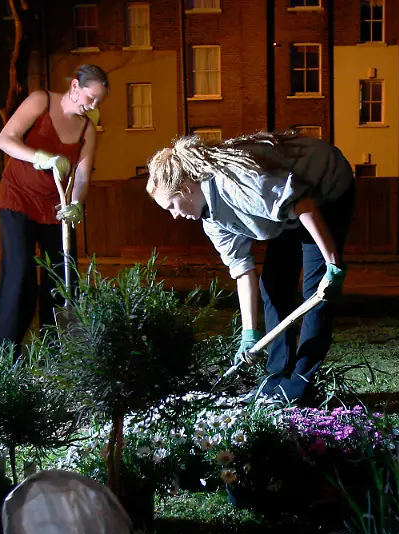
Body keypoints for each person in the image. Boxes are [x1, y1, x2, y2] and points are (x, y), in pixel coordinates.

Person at [146, 131, 355, 404]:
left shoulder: (235, 182)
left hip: (324, 190)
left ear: (185, 189)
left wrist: (333, 264)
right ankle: (276, 380)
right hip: (290, 209)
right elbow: (242, 268)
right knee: (272, 286)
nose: (174, 215)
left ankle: (299, 386)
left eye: (171, 206)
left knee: (317, 293)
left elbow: (303, 205)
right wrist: (249, 333)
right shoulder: (211, 220)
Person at [0, 64, 107, 347]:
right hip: (18, 199)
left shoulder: (87, 129)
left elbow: (81, 175)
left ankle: (57, 353)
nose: (93, 105)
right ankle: (4, 356)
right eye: (90, 97)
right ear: (75, 87)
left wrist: (76, 204)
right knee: (19, 276)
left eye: (99, 102)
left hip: (57, 208)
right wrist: (40, 157)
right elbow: (5, 140)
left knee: (62, 278)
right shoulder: (40, 100)